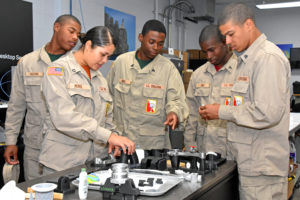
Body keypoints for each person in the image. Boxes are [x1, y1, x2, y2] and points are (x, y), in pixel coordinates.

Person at [199, 3, 290, 200]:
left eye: (231, 34)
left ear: (248, 24)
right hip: (248, 164)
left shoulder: (266, 58)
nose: (228, 41)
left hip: (262, 170)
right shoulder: (246, 60)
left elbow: (267, 113)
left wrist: (221, 111)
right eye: (225, 36)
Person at [39, 26, 135, 175]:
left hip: (94, 164)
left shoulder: (100, 80)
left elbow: (107, 119)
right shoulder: (58, 71)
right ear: (88, 45)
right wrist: (108, 136)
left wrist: (115, 137)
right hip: (62, 165)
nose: (105, 61)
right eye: (102, 54)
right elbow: (64, 117)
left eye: (108, 56)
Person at [4, 14, 81, 180]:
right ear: (57, 27)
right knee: (34, 193)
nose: (75, 37)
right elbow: (16, 105)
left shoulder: (78, 66)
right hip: (35, 149)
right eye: (72, 31)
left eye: (78, 35)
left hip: (67, 150)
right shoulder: (28, 62)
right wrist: (11, 141)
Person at [107, 19, 188, 150]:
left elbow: (177, 100)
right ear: (140, 37)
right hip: (121, 141)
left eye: (160, 44)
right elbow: (107, 97)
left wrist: (174, 112)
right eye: (151, 42)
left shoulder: (168, 69)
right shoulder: (121, 63)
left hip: (153, 146)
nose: (156, 48)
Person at [184, 24, 237, 157]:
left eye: (212, 50)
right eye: (204, 52)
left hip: (231, 151)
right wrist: (190, 146)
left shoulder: (241, 72)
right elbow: (191, 114)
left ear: (225, 43)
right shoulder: (198, 75)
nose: (208, 56)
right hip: (204, 150)